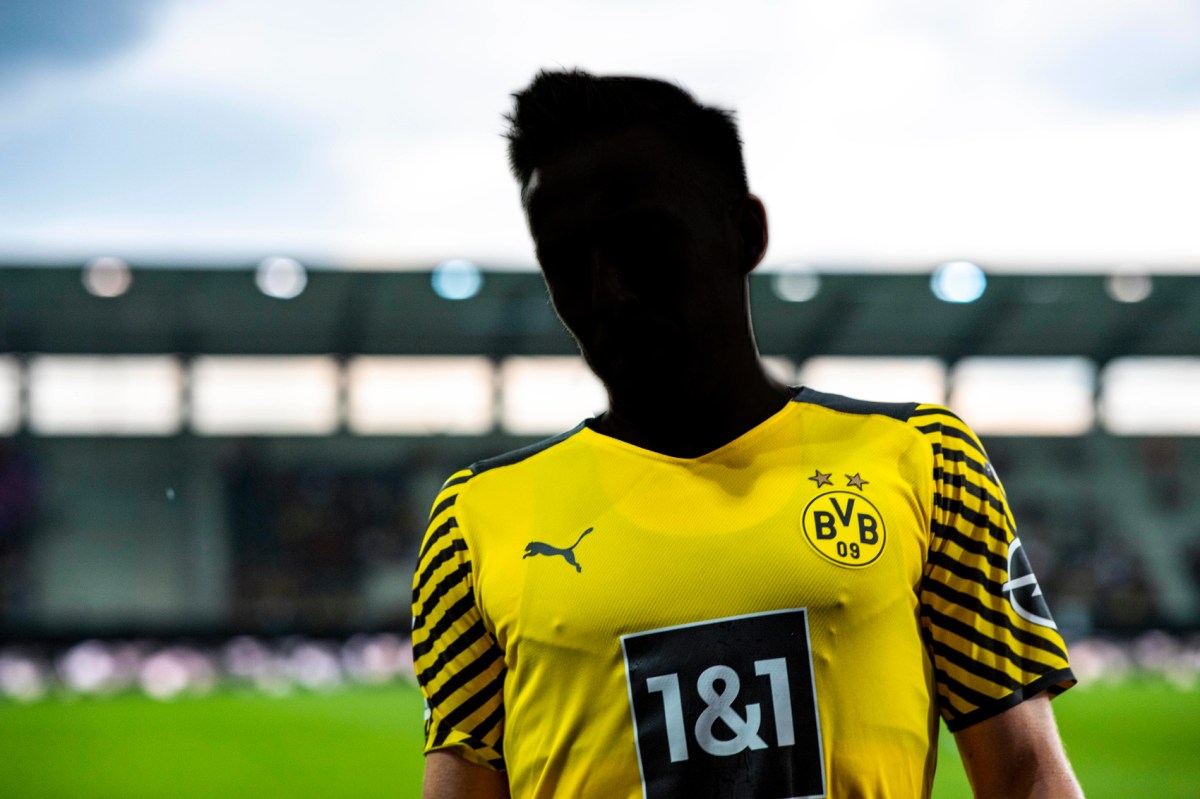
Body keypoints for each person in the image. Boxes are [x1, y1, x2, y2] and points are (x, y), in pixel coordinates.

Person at [412, 68, 1083, 799]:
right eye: (567, 260)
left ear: (746, 232)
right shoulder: (474, 520)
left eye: (643, 240)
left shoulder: (923, 460)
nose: (609, 291)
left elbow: (1026, 775)